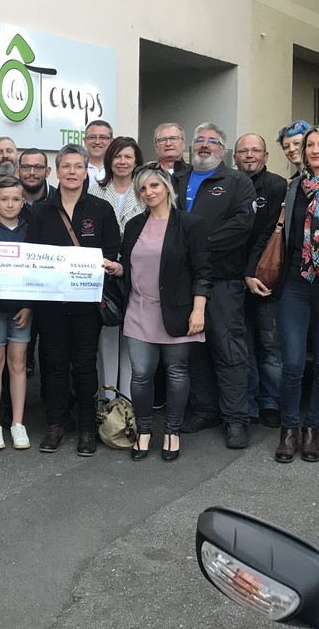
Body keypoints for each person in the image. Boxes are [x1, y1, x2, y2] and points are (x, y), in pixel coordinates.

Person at [249, 127, 319, 463]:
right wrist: (251, 270)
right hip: (294, 282)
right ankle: (289, 429)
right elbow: (272, 231)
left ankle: (312, 430)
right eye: (310, 145)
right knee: (293, 363)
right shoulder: (293, 188)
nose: (315, 150)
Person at [26, 144, 121, 456]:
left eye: (78, 166)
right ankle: (55, 423)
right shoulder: (41, 212)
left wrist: (105, 264)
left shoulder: (101, 210)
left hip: (87, 305)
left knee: (84, 365)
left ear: (85, 171)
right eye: (66, 166)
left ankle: (87, 427)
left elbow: (112, 250)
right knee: (53, 365)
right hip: (50, 305)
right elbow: (32, 257)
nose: (72, 172)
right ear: (56, 171)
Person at [174, 123, 256, 449]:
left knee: (228, 349)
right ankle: (205, 410)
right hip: (184, 282)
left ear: (223, 149)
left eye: (212, 141)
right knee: (193, 349)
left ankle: (236, 419)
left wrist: (198, 246)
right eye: (199, 140)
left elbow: (242, 225)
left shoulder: (237, 182)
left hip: (223, 280)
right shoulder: (177, 180)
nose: (204, 145)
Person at [120, 164, 210, 461]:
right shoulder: (134, 225)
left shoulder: (190, 224)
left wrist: (198, 311)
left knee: (176, 372)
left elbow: (202, 272)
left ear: (167, 188)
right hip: (138, 309)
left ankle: (172, 431)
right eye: (143, 188)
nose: (149, 192)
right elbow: (130, 267)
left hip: (178, 312)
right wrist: (114, 267)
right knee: (141, 374)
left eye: (154, 186)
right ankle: (144, 431)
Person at [235, 133, 287, 428]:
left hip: (268, 280)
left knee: (271, 346)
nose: (249, 155)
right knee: (243, 345)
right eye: (244, 151)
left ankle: (271, 403)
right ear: (235, 157)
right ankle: (249, 404)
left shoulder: (278, 186)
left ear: (265, 156)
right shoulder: (229, 185)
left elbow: (274, 234)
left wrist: (253, 272)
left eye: (256, 150)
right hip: (236, 280)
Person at [0, 177, 32, 450]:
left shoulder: (31, 230)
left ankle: (18, 423)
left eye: (15, 199)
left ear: (23, 202)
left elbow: (38, 272)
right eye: (4, 199)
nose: (9, 204)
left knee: (18, 364)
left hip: (22, 309)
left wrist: (29, 306)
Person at [90, 137, 144, 399]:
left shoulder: (146, 190)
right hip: (105, 273)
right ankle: (107, 403)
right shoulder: (94, 191)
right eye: (117, 156)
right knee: (107, 338)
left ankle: (130, 405)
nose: (122, 162)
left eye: (128, 157)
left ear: (136, 161)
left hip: (139, 272)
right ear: (109, 160)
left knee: (133, 339)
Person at [17, 148, 55, 215]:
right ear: (17, 171)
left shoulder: (59, 199)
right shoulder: (7, 199)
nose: (32, 173)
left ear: (47, 172)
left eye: (38, 167)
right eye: (26, 167)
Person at [84, 120, 114, 186]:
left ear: (111, 141)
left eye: (103, 137)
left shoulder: (117, 168)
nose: (97, 142)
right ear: (85, 141)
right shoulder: (77, 168)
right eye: (92, 137)